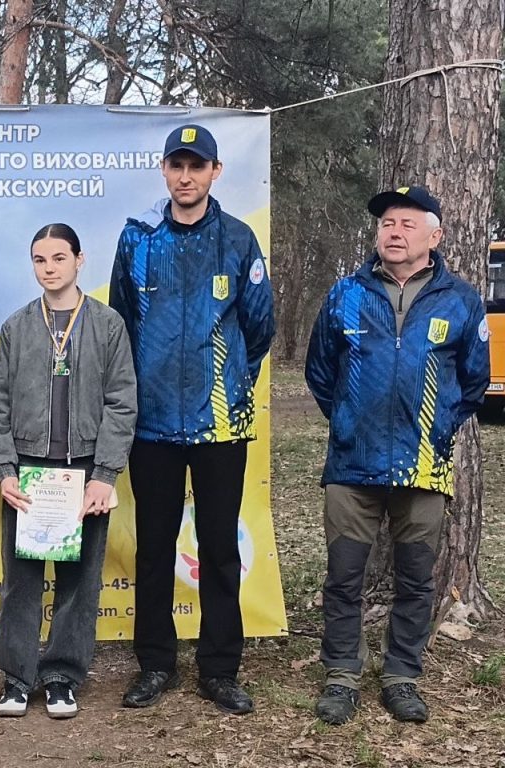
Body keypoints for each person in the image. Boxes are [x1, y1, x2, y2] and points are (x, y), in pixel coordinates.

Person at [305, 186, 490, 725]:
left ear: (435, 236)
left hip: (423, 466)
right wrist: (349, 421)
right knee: (344, 578)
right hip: (352, 465)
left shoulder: (461, 301)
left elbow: (473, 383)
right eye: (387, 222)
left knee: (416, 580)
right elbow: (320, 372)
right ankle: (342, 675)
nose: (394, 231)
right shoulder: (345, 294)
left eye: (408, 224)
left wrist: (436, 427)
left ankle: (401, 675)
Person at [109, 124, 274, 715]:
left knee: (219, 547)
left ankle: (220, 669)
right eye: (176, 165)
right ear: (164, 170)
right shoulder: (138, 239)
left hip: (220, 426)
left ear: (214, 172)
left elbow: (259, 327)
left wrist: (224, 385)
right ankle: (155, 663)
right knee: (153, 547)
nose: (186, 176)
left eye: (196, 166)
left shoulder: (238, 239)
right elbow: (122, 325)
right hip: (151, 424)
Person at [0, 224, 136, 719]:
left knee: (80, 580)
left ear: (79, 260)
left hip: (85, 471)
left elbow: (121, 403)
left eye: (58, 258)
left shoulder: (107, 325)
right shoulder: (16, 327)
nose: (48, 268)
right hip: (29, 471)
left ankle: (61, 677)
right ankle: (16, 677)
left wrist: (105, 474)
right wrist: (5, 469)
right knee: (21, 579)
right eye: (39, 259)